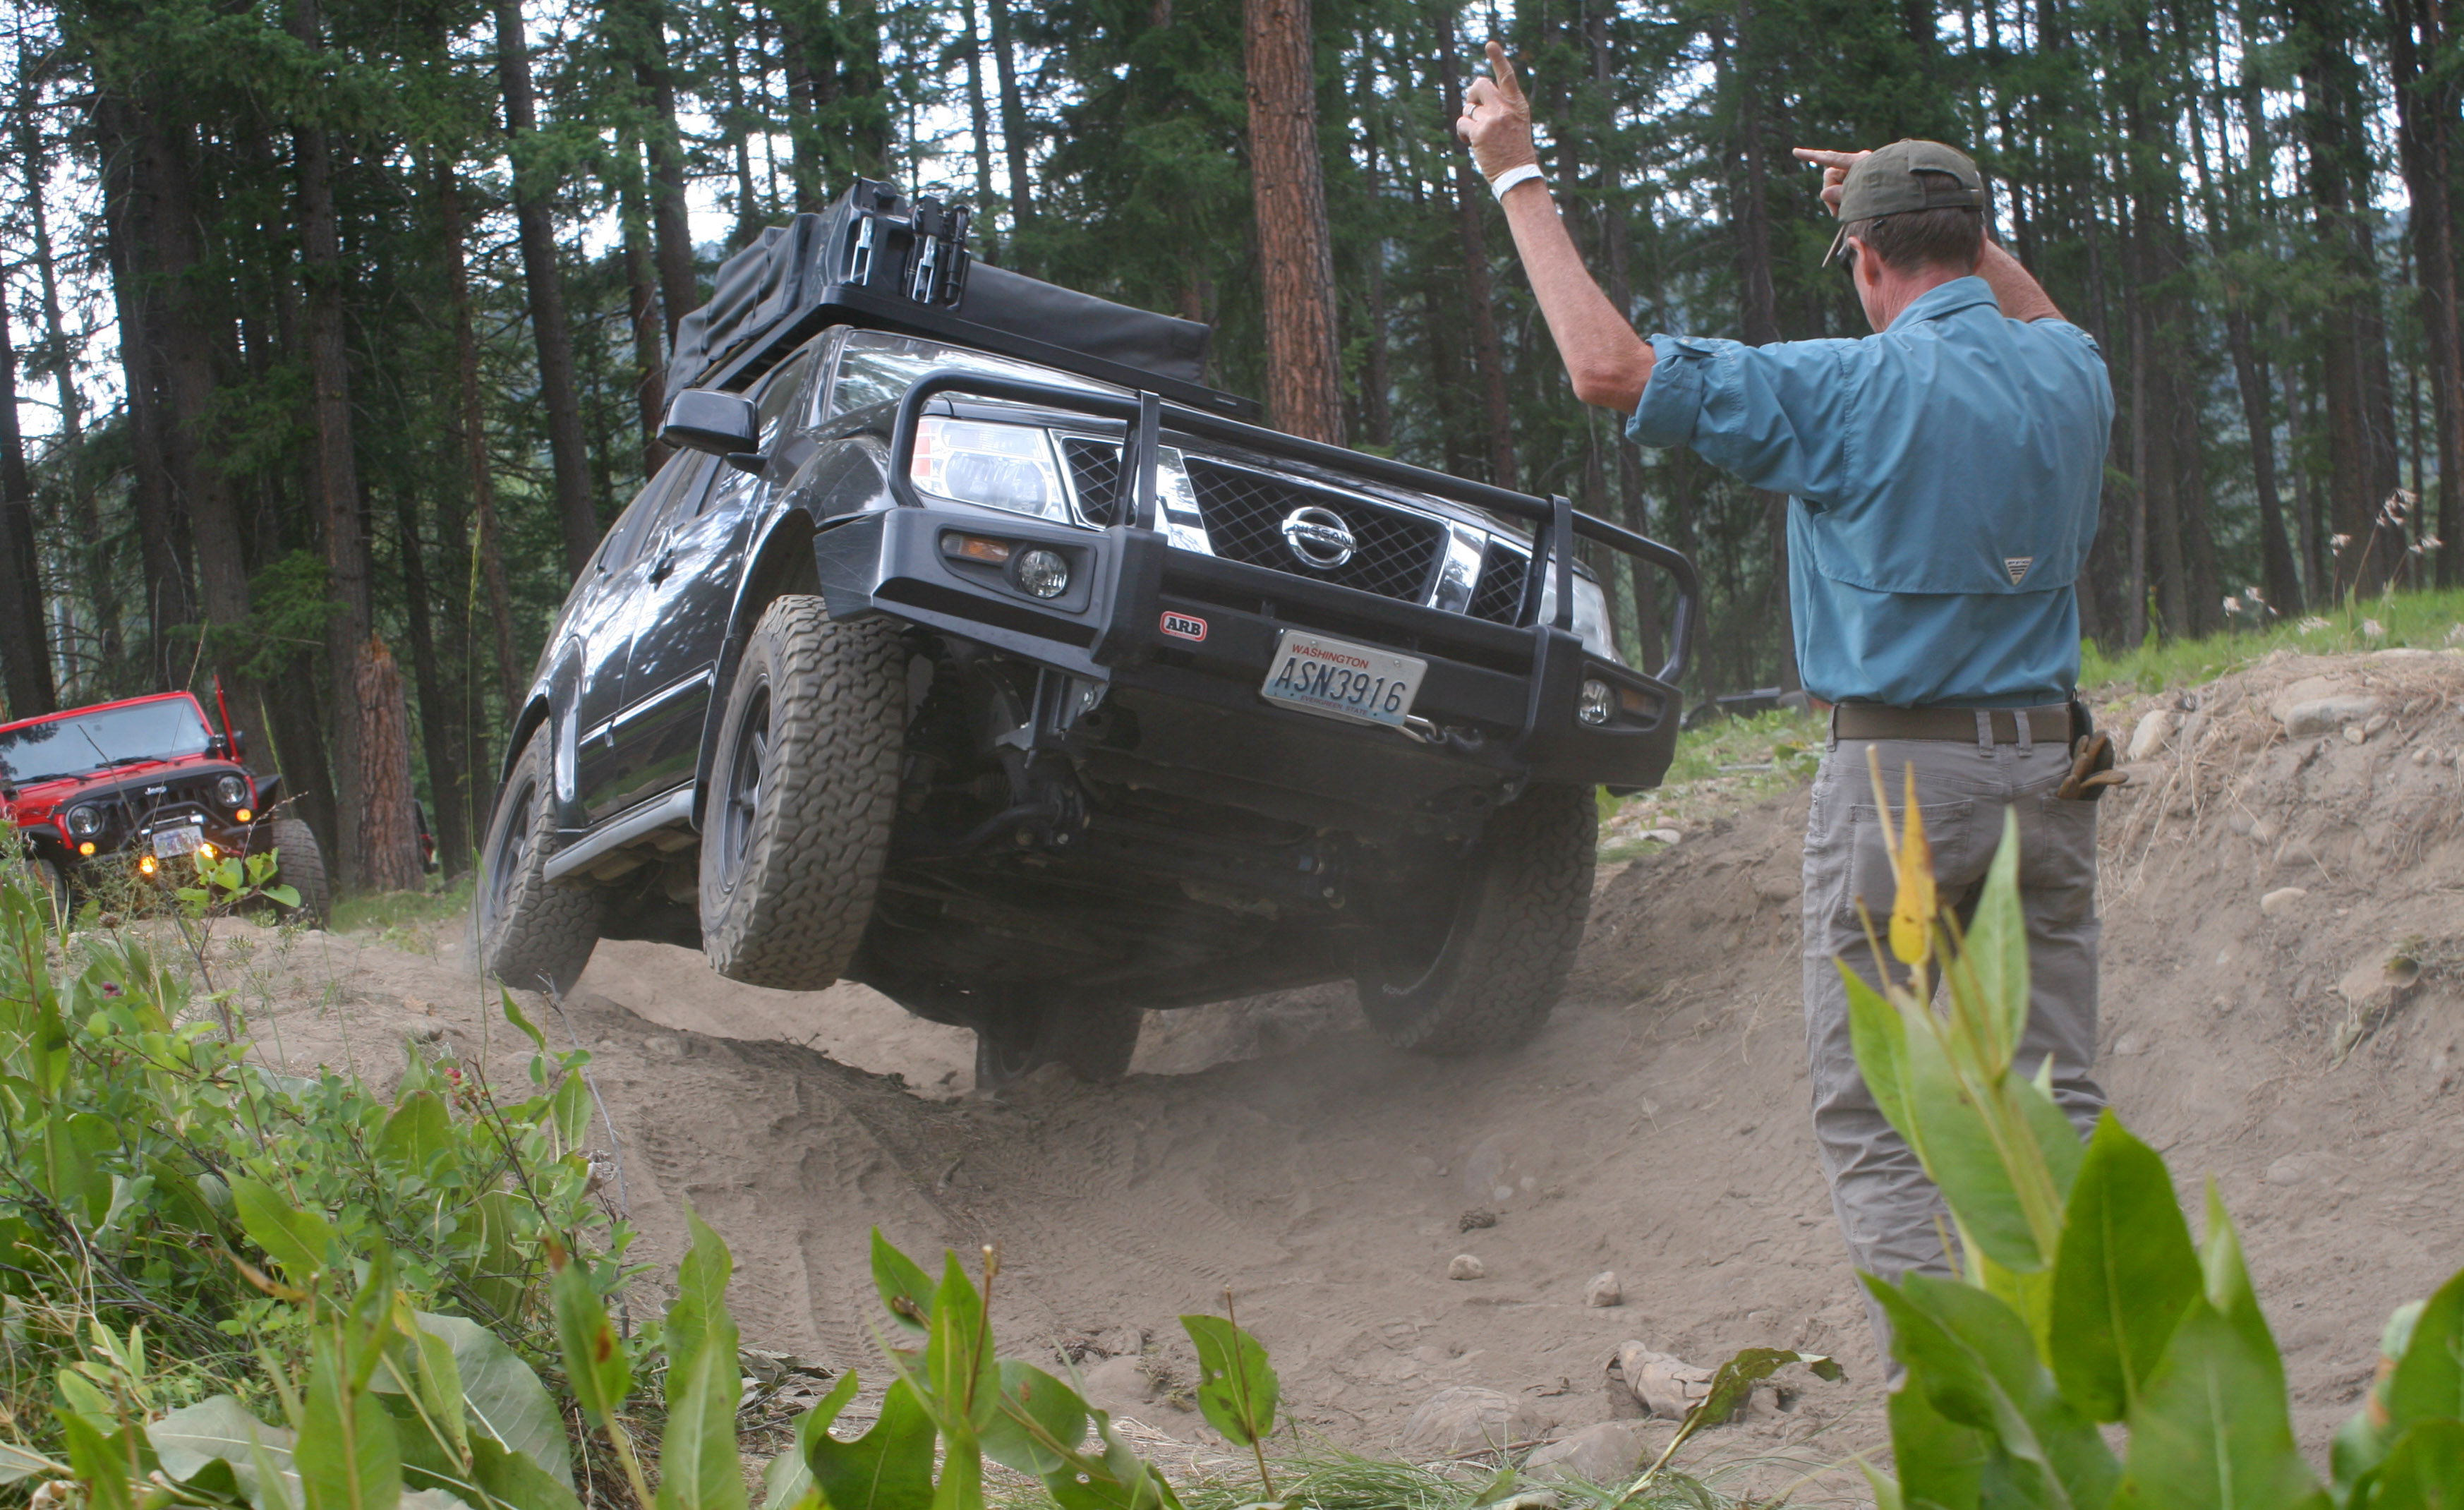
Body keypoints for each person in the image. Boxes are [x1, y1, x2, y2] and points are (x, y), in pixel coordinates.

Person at [1450, 43, 2118, 1353]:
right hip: (2050, 773)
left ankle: (1958, 1402)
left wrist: (1514, 171)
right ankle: (2094, 1375)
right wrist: (1919, 202)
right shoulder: (2072, 371)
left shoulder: (1844, 388)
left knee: (1882, 1114)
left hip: (1900, 792)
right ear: (1975, 241)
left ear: (1864, 262)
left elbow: (1606, 367)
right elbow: (2025, 307)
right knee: (2056, 1100)